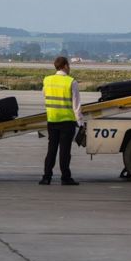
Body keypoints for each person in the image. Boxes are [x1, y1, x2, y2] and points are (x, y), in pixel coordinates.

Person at [39, 56, 84, 185]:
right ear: (65, 66)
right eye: (68, 65)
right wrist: (80, 122)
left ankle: (46, 177)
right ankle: (65, 177)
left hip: (52, 120)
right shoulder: (71, 82)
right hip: (67, 121)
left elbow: (44, 94)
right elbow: (76, 105)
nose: (69, 68)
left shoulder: (47, 80)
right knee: (65, 151)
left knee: (51, 150)